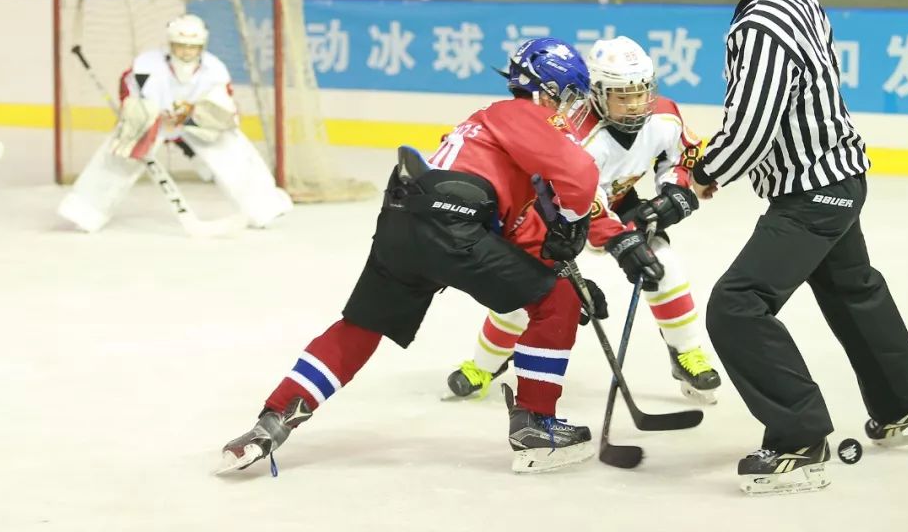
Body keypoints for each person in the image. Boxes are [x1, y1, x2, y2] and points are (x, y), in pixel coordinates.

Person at [218, 37, 620, 475]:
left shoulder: (488, 135)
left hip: (406, 221)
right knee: (554, 301)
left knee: (362, 326)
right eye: (567, 98)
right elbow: (580, 173)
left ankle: (273, 420)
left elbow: (514, 234)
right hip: (450, 224)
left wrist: (562, 272)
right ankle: (536, 429)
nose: (569, 111)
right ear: (548, 91)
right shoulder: (518, 113)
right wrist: (573, 226)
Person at [695, 0, 908, 495]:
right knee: (850, 287)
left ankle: (799, 438)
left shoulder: (758, 23)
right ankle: (906, 405)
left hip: (811, 193)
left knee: (736, 305)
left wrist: (703, 175)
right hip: (840, 176)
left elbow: (756, 122)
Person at [444, 36, 721, 404]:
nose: (636, 104)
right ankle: (485, 363)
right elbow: (577, 197)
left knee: (663, 264)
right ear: (598, 94)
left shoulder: (665, 115)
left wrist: (675, 191)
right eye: (623, 95)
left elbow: (684, 154)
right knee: (526, 297)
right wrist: (619, 241)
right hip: (556, 216)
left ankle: (685, 353)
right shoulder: (576, 134)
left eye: (642, 92)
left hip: (617, 202)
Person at [57, 14, 292, 232]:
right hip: (153, 122)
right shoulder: (147, 64)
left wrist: (195, 114)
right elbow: (128, 89)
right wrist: (138, 112)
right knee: (120, 152)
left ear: (202, 46)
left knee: (233, 149)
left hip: (193, 122)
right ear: (170, 45)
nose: (187, 52)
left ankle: (263, 206)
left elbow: (225, 108)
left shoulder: (215, 69)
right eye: (181, 45)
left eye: (193, 47)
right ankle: (85, 210)